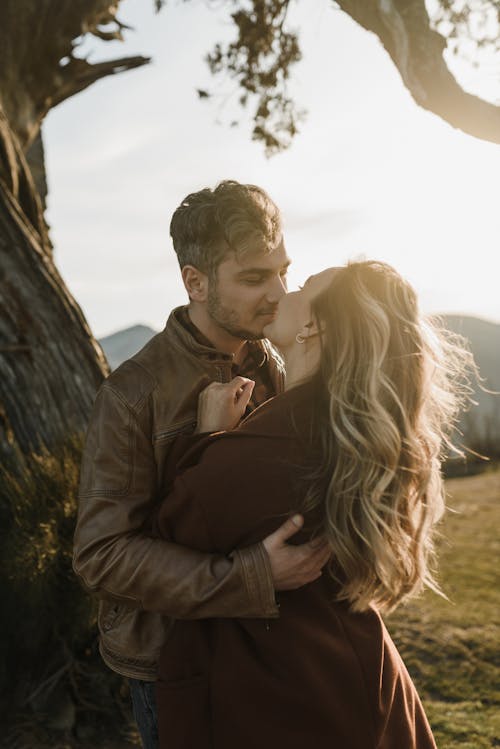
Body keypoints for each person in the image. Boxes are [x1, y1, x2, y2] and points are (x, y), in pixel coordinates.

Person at [154, 260, 472, 748]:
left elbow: (173, 527)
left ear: (313, 325)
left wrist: (208, 435)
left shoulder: (285, 441)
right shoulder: (344, 432)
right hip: (349, 674)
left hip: (294, 697)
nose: (284, 291)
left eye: (302, 286)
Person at [72, 181, 330, 749]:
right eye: (254, 278)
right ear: (195, 281)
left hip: (266, 645)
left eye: (283, 271)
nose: (278, 294)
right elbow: (100, 556)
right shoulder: (133, 393)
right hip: (172, 662)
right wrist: (252, 577)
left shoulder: (278, 360)